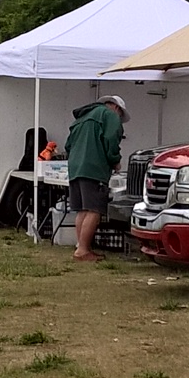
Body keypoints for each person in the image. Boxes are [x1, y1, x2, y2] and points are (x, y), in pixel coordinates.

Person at [64, 93, 127, 262]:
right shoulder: (110, 115)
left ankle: (81, 247)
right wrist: (115, 160)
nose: (120, 119)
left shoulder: (80, 119)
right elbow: (110, 139)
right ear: (116, 108)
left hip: (75, 169)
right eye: (121, 115)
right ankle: (83, 250)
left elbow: (68, 145)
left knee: (83, 210)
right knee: (94, 210)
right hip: (94, 169)